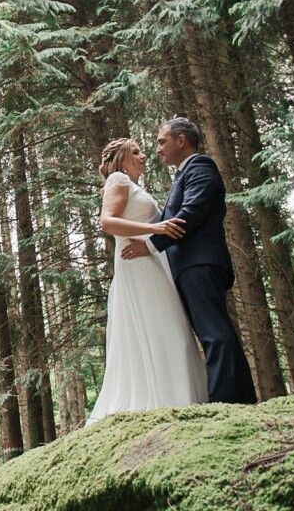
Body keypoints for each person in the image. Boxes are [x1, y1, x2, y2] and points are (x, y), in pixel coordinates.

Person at [85, 138, 206, 423]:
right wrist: (155, 227)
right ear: (122, 159)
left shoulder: (136, 187)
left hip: (153, 264)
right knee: (162, 326)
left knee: (171, 328)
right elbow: (107, 221)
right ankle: (168, 400)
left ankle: (183, 398)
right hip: (137, 266)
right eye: (136, 152)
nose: (143, 156)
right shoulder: (118, 179)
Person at [138, 117, 256, 404]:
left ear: (181, 141)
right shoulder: (183, 174)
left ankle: (224, 403)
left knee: (213, 334)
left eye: (161, 141)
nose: (157, 149)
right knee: (215, 330)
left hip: (199, 262)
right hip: (190, 265)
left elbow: (192, 212)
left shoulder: (200, 166)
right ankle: (240, 398)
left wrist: (151, 245)